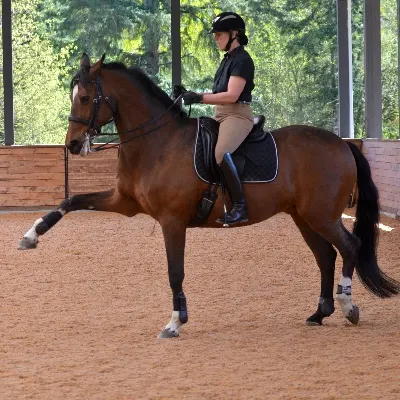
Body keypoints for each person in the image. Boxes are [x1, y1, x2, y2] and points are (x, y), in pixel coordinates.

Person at [182, 11, 255, 226]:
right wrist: (189, 93)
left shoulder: (242, 59)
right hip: (221, 114)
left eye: (219, 34)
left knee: (221, 153)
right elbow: (219, 94)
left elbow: (232, 95)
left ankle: (240, 207)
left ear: (234, 34)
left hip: (237, 115)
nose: (216, 38)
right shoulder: (228, 60)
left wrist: (199, 97)